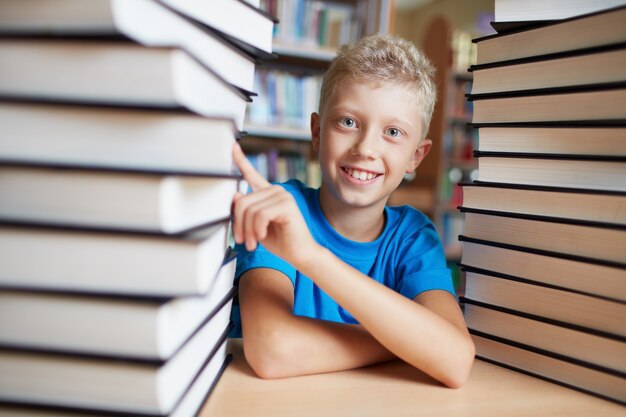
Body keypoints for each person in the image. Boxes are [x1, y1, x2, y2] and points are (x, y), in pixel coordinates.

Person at [230, 33, 475, 388]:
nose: (365, 149)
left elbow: (454, 360)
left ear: (416, 156)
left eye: (392, 132)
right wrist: (410, 344)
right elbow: (273, 349)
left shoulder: (413, 237)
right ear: (317, 132)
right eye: (347, 122)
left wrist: (310, 256)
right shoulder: (281, 213)